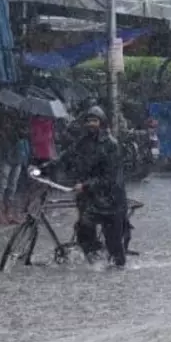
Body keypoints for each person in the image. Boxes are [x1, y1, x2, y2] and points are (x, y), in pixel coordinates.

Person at [49, 106, 128, 268]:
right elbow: (66, 156)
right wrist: (45, 167)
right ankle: (95, 260)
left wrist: (85, 185)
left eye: (95, 121)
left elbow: (110, 178)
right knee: (84, 230)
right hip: (90, 198)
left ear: (102, 123)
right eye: (89, 121)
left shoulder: (111, 145)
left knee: (114, 243)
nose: (91, 124)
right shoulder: (82, 142)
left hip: (111, 200)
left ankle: (118, 268)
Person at [0, 104, 28, 224]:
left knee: (12, 187)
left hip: (16, 157)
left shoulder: (20, 120)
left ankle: (8, 213)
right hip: (5, 156)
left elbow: (26, 134)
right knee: (1, 186)